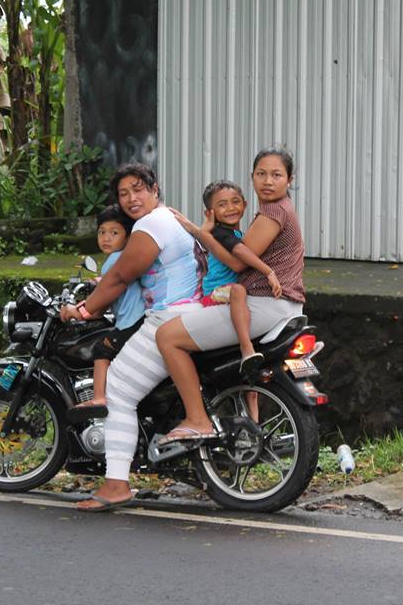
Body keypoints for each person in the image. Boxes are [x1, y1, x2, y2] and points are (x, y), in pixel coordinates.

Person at [59, 162, 204, 512]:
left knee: (118, 391)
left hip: (168, 318)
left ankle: (115, 485)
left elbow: (121, 276)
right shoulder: (167, 218)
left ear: (155, 189)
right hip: (187, 313)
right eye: (123, 193)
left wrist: (83, 311)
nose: (131, 198)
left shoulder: (152, 224)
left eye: (138, 189)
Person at [154, 147, 305, 446]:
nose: (268, 181)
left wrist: (198, 231)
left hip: (264, 304)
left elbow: (237, 261)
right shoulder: (280, 209)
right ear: (251, 177)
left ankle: (196, 419)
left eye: (276, 175)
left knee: (166, 336)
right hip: (279, 306)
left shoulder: (273, 213)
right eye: (261, 174)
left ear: (289, 179)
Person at [66, 205, 145, 423]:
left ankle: (99, 398)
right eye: (102, 232)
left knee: (101, 349)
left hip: (132, 323)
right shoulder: (124, 258)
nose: (106, 238)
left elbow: (100, 307)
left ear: (127, 237)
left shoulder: (113, 261)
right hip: (140, 320)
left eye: (114, 232)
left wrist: (77, 312)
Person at [197, 181, 283, 375]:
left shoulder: (240, 234)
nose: (230, 208)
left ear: (244, 205)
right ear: (209, 213)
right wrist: (269, 272)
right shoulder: (219, 233)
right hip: (214, 293)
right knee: (239, 290)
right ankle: (246, 349)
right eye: (222, 204)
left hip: (231, 295)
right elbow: (240, 252)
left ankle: (253, 405)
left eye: (235, 202)